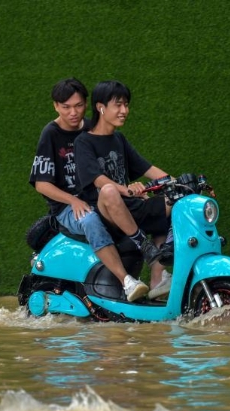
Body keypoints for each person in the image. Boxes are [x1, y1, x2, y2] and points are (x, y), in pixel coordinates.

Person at [29, 77, 148, 301]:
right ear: (56, 106)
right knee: (90, 220)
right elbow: (41, 183)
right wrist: (73, 200)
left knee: (145, 208)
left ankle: (160, 277)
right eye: (65, 107)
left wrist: (130, 188)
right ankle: (126, 281)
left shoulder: (95, 129)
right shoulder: (51, 134)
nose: (73, 113)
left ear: (88, 104)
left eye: (79, 106)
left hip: (100, 198)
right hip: (69, 207)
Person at [74, 80, 173, 299]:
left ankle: (158, 278)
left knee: (174, 200)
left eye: (126, 105)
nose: (124, 111)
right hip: (106, 213)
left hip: (131, 205)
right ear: (101, 107)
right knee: (109, 190)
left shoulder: (119, 139)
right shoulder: (83, 142)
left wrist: (178, 183)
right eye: (118, 105)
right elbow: (98, 180)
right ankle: (144, 246)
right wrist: (127, 190)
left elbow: (147, 168)